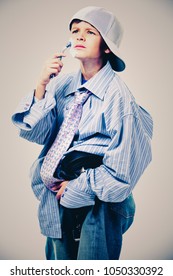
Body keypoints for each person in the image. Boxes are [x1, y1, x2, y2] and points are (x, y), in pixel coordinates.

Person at [12, 6, 153, 260]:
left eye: (90, 32)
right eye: (75, 31)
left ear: (107, 46)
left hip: (100, 201)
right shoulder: (64, 84)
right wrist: (42, 85)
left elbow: (124, 170)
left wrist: (79, 186)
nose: (79, 36)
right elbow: (40, 135)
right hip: (61, 196)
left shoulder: (117, 97)